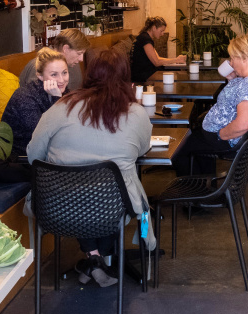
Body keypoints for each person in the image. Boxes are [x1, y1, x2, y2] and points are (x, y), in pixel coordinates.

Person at [27, 47, 155, 287]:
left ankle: (94, 259)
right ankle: (99, 258)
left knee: (82, 194)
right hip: (113, 206)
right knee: (105, 198)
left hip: (56, 206)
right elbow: (142, 150)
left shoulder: (61, 107)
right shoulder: (136, 113)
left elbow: (34, 156)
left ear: (89, 75)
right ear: (125, 77)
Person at [174, 34, 248, 176]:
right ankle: (206, 183)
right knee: (196, 139)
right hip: (240, 138)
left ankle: (194, 187)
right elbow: (241, 97)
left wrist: (220, 134)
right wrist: (233, 80)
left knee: (178, 150)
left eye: (232, 58)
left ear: (243, 57)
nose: (231, 63)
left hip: (230, 140)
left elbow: (243, 125)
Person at [0, 48, 69, 183]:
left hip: (46, 155)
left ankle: (49, 173)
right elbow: (44, 136)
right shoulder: (25, 97)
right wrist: (57, 99)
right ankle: (47, 175)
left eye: (64, 73)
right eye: (54, 74)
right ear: (40, 76)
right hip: (18, 155)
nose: (61, 79)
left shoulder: (65, 92)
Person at [19, 29, 89, 90]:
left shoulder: (72, 63)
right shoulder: (40, 65)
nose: (81, 59)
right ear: (66, 49)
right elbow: (34, 97)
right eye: (79, 53)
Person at [130, 16, 185, 82]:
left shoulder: (145, 37)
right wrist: (176, 60)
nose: (162, 34)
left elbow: (158, 58)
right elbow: (156, 62)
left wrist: (176, 60)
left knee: (175, 69)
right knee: (175, 71)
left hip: (146, 71)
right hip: (142, 75)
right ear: (154, 28)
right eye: (161, 31)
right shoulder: (145, 39)